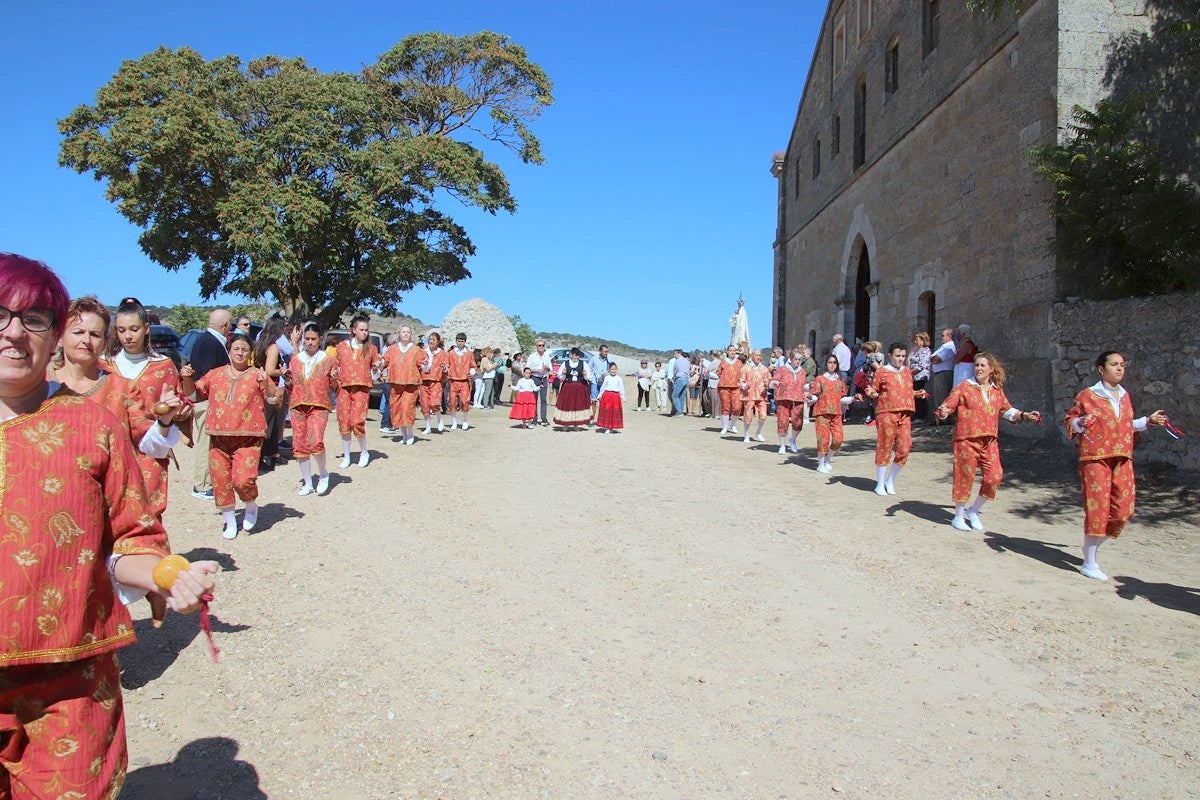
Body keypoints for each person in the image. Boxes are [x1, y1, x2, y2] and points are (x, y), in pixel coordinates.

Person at [0, 253, 217, 798]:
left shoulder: (92, 424)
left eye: (32, 320)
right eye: (0, 315)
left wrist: (166, 573)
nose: (13, 333)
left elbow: (130, 536)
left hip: (70, 679)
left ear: (52, 337)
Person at [1064, 351, 1168, 581]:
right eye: (1114, 364)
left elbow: (1124, 425)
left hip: (1122, 457)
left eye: (1122, 364)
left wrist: (1147, 422)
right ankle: (1089, 561)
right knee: (1098, 507)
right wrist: (1080, 422)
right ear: (1101, 369)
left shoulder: (1124, 396)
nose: (1120, 368)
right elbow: (1070, 420)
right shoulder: (1088, 395)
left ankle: (1090, 547)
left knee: (1123, 510)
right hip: (1095, 459)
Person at [182, 335, 282, 538]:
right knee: (220, 480)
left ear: (250, 353)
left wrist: (267, 383)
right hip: (218, 436)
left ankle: (251, 504)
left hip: (248, 436)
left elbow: (274, 400)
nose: (240, 353)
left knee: (243, 480)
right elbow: (193, 395)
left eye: (244, 349)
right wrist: (185, 378)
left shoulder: (257, 375)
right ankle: (229, 520)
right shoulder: (215, 374)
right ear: (229, 351)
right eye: (236, 348)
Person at [105, 297, 194, 514]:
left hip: (150, 449)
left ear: (146, 329)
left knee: (148, 511)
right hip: (109, 449)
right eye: (121, 330)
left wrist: (177, 409)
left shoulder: (163, 366)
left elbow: (181, 406)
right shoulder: (105, 365)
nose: (128, 336)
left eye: (134, 329)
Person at [934, 352, 1041, 532]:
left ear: (991, 369)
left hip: (989, 440)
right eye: (976, 365)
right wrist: (943, 411)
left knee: (994, 477)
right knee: (964, 477)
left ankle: (974, 510)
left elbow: (1007, 410)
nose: (979, 368)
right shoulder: (964, 387)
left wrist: (1024, 415)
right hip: (966, 439)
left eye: (983, 365)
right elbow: (948, 405)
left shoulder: (996, 390)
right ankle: (958, 516)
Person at [863, 341, 927, 496]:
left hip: (905, 414)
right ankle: (879, 483)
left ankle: (890, 479)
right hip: (886, 413)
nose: (901, 359)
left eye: (903, 356)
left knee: (904, 448)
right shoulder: (882, 371)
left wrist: (917, 393)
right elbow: (872, 388)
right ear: (890, 355)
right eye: (898, 356)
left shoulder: (906, 371)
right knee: (885, 446)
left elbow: (905, 391)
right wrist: (870, 392)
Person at [182, 308, 232, 500]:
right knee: (206, 443)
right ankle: (201, 485)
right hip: (207, 401)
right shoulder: (211, 343)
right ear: (225, 325)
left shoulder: (204, 340)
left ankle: (207, 481)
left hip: (207, 401)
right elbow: (212, 375)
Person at [286, 322, 336, 495]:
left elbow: (336, 385)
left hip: (319, 404)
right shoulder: (296, 359)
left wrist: (336, 378)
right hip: (297, 404)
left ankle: (323, 474)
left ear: (320, 339)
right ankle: (307, 482)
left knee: (315, 440)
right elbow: (292, 384)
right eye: (307, 339)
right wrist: (287, 381)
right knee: (299, 443)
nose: (310, 342)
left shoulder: (329, 360)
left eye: (313, 339)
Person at [332, 314, 381, 466]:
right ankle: (346, 455)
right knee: (344, 421)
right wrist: (333, 373)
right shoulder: (341, 347)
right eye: (361, 330)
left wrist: (376, 368)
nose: (364, 333)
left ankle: (364, 452)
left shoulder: (372, 349)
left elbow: (377, 372)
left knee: (357, 421)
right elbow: (335, 365)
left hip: (362, 387)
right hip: (344, 387)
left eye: (366, 330)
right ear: (354, 330)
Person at [809, 354, 854, 473]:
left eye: (834, 362)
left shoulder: (840, 381)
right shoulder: (820, 379)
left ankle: (828, 458)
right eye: (830, 362)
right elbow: (815, 395)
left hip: (836, 413)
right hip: (822, 412)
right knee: (823, 439)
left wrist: (853, 399)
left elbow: (842, 398)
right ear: (826, 364)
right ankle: (820, 464)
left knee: (838, 439)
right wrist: (810, 397)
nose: (832, 364)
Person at [254, 316, 288, 469]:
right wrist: (281, 372)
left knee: (263, 421)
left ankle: (268, 454)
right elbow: (269, 370)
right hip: (269, 387)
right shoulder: (273, 347)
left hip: (258, 386)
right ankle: (265, 456)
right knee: (270, 422)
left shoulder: (259, 344)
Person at [383, 325, 424, 444]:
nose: (405, 334)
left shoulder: (416, 350)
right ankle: (404, 434)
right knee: (397, 408)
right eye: (403, 332)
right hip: (395, 383)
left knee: (407, 407)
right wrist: (378, 364)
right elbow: (385, 361)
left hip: (411, 383)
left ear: (411, 335)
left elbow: (424, 364)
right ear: (399, 334)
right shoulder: (392, 349)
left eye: (408, 332)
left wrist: (426, 364)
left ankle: (410, 433)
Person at [770, 349, 807, 454]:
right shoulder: (782, 369)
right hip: (783, 398)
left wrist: (809, 390)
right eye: (796, 359)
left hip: (798, 399)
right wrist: (775, 383)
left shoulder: (803, 372)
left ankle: (793, 440)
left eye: (800, 359)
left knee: (798, 422)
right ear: (791, 359)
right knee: (783, 421)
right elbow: (774, 380)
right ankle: (782, 445)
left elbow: (804, 385)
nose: (798, 361)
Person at [553, 347, 593, 428]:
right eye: (575, 355)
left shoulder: (583, 363)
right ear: (571, 355)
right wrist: (563, 373)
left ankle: (576, 425)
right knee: (567, 404)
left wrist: (585, 374)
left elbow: (589, 377)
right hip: (568, 386)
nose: (577, 357)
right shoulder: (565, 363)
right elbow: (560, 377)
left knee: (578, 405)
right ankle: (566, 424)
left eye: (578, 355)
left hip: (580, 386)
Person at [446, 332, 477, 430]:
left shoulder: (469, 354)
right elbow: (447, 365)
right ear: (456, 341)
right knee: (452, 402)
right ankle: (454, 422)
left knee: (465, 401)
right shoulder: (451, 353)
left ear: (465, 342)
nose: (460, 343)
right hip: (453, 380)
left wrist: (471, 372)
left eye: (462, 341)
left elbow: (473, 366)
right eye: (458, 341)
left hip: (464, 381)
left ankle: (465, 421)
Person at [739, 349, 771, 443]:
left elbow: (768, 379)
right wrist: (744, 386)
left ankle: (758, 432)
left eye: (760, 355)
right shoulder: (746, 368)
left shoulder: (764, 369)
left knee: (763, 415)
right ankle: (746, 434)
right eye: (756, 355)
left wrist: (768, 383)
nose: (758, 357)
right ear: (752, 356)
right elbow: (740, 380)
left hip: (761, 394)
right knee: (748, 415)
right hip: (749, 394)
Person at [420, 331, 448, 434]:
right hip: (424, 381)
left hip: (436, 381)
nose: (431, 341)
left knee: (434, 402)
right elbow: (419, 365)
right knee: (424, 404)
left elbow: (446, 367)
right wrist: (424, 365)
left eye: (434, 340)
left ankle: (439, 418)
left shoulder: (442, 353)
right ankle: (428, 427)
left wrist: (444, 368)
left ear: (438, 342)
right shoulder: (423, 352)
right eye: (430, 339)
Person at [716, 345, 744, 434]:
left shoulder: (739, 362)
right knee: (725, 407)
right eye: (730, 350)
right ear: (727, 352)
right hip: (724, 387)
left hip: (736, 387)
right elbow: (718, 373)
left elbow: (742, 374)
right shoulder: (723, 362)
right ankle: (725, 427)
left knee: (737, 407)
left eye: (734, 350)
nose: (732, 352)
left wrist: (743, 383)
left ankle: (732, 424)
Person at [929, 327, 957, 415]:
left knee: (943, 397)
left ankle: (946, 420)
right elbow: (932, 358)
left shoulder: (951, 346)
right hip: (939, 374)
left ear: (949, 336)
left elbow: (937, 359)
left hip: (945, 373)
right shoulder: (944, 346)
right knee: (938, 397)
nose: (941, 337)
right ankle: (940, 418)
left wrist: (932, 358)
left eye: (942, 335)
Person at [527, 340, 553, 425]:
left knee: (543, 399)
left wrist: (546, 368)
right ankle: (534, 418)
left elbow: (551, 369)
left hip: (544, 378)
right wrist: (536, 370)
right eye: (539, 345)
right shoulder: (532, 356)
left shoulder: (547, 356)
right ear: (536, 346)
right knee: (534, 399)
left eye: (542, 345)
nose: (541, 347)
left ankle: (544, 418)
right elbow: (527, 369)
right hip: (535, 378)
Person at [595, 362, 626, 433]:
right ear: (609, 370)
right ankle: (607, 427)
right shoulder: (607, 378)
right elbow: (603, 387)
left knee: (614, 412)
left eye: (615, 369)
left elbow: (621, 388)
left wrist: (623, 397)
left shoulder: (619, 378)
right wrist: (600, 395)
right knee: (607, 411)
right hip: (607, 396)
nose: (613, 370)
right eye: (612, 369)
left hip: (615, 397)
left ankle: (612, 426)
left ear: (617, 369)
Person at [908, 331, 932, 422]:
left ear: (922, 341)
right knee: (915, 396)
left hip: (920, 376)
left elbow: (921, 365)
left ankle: (921, 416)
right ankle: (916, 415)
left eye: (917, 340)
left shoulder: (926, 351)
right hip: (915, 376)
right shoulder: (918, 350)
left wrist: (910, 372)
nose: (915, 342)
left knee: (920, 395)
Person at [588, 344, 613, 424]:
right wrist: (590, 377)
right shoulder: (594, 359)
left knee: (603, 402)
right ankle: (592, 419)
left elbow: (612, 369)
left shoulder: (609, 360)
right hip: (595, 383)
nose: (606, 353)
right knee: (594, 401)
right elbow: (589, 369)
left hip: (604, 384)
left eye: (607, 352)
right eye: (605, 351)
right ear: (600, 351)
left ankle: (602, 420)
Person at [951, 324, 978, 388]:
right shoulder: (963, 344)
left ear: (963, 333)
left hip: (965, 372)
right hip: (961, 371)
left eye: (959, 332)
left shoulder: (968, 344)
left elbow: (956, 359)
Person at [670, 348, 690, 416]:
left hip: (680, 378)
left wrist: (674, 378)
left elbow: (675, 371)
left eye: (675, 354)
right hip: (686, 378)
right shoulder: (687, 361)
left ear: (679, 353)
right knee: (682, 396)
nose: (674, 355)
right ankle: (680, 410)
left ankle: (679, 411)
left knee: (674, 395)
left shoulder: (677, 361)